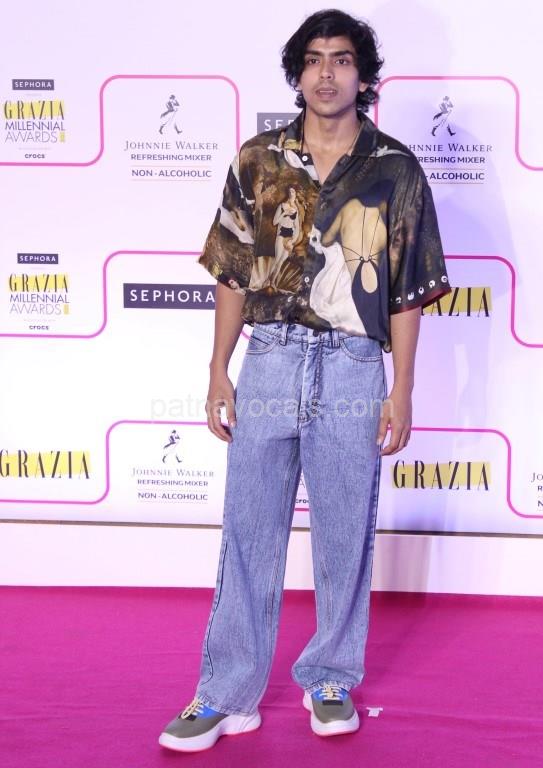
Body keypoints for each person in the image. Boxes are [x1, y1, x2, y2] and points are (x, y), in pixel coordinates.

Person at [159, 8, 450, 753]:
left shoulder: (395, 168)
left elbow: (409, 293)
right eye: (314, 59)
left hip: (354, 365)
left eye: (342, 59)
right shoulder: (258, 160)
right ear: (297, 74)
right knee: (248, 530)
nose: (327, 73)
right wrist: (218, 368)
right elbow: (231, 271)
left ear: (363, 75)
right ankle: (227, 694)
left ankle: (330, 678)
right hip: (270, 359)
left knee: (344, 533)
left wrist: (401, 388)